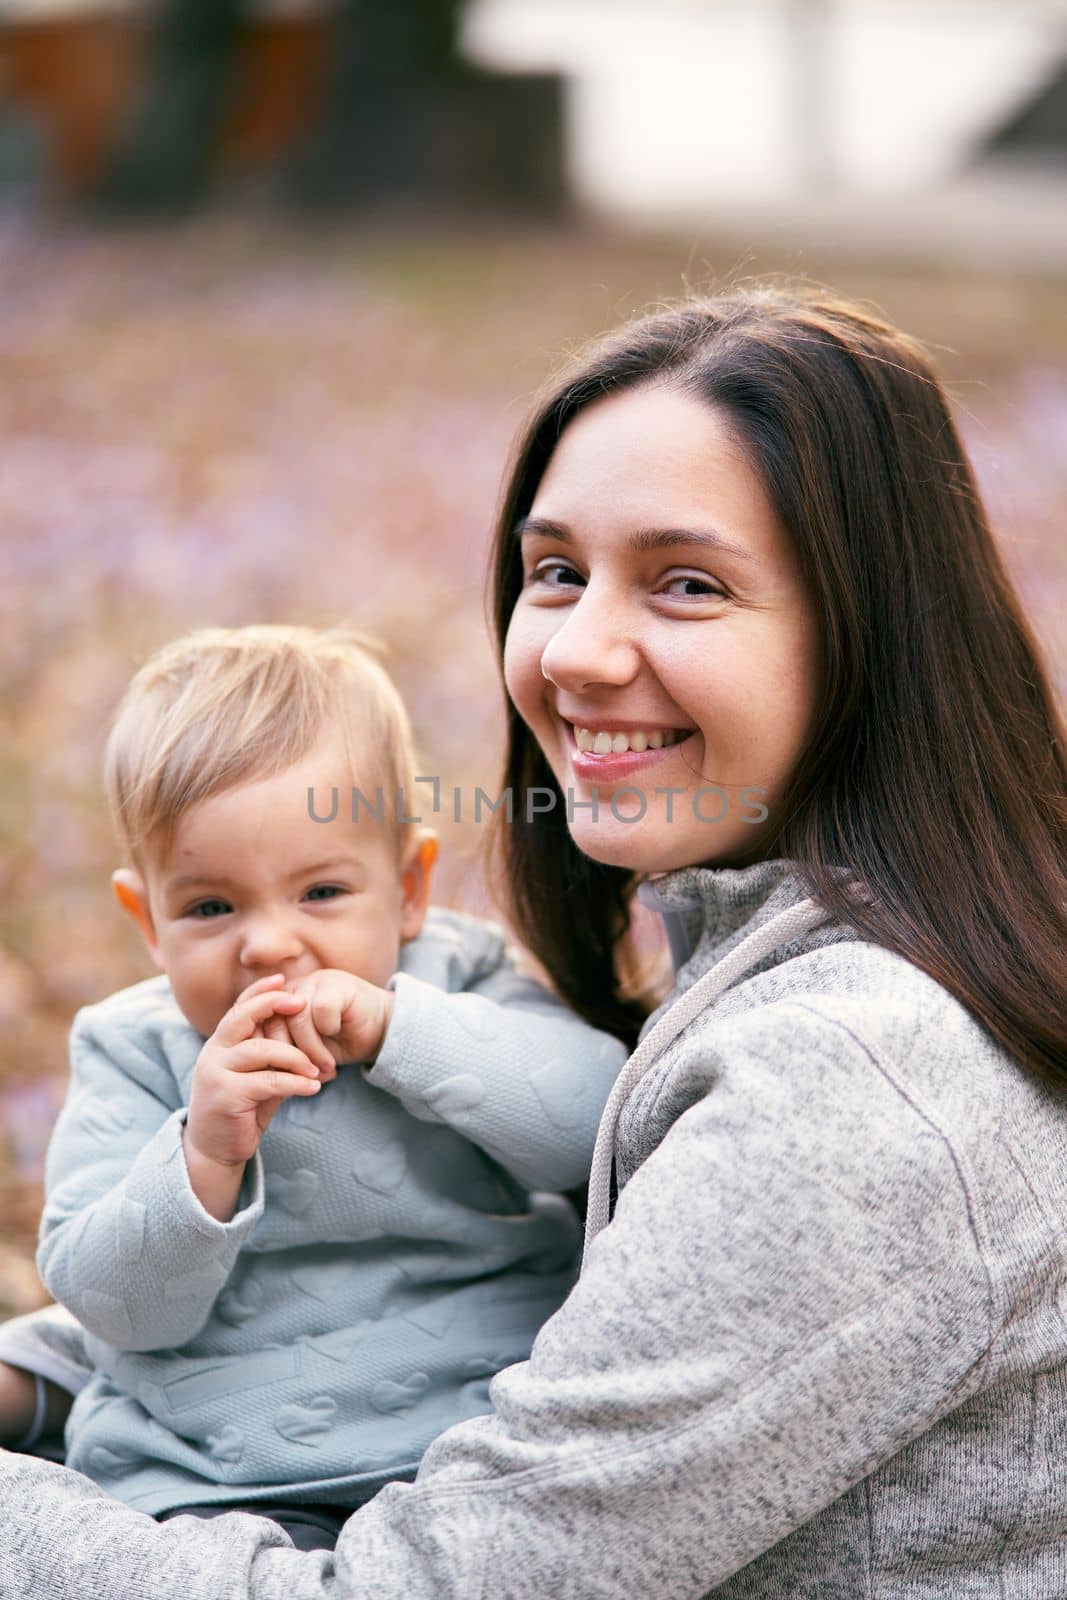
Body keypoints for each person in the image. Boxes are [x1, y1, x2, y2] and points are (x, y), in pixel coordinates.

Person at [1, 284, 1065, 1597]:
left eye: (685, 584)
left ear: (864, 637)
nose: (574, 650)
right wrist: (53, 1377)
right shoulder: (797, 972)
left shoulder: (848, 1088)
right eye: (554, 571)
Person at [0, 623, 627, 1551]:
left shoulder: (460, 980)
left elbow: (595, 1128)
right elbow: (111, 1303)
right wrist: (202, 1152)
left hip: (473, 1442)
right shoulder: (135, 1050)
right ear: (147, 920)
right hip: (219, 1474)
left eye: (321, 893)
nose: (268, 944)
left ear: (408, 888)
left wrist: (400, 1031)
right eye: (210, 907)